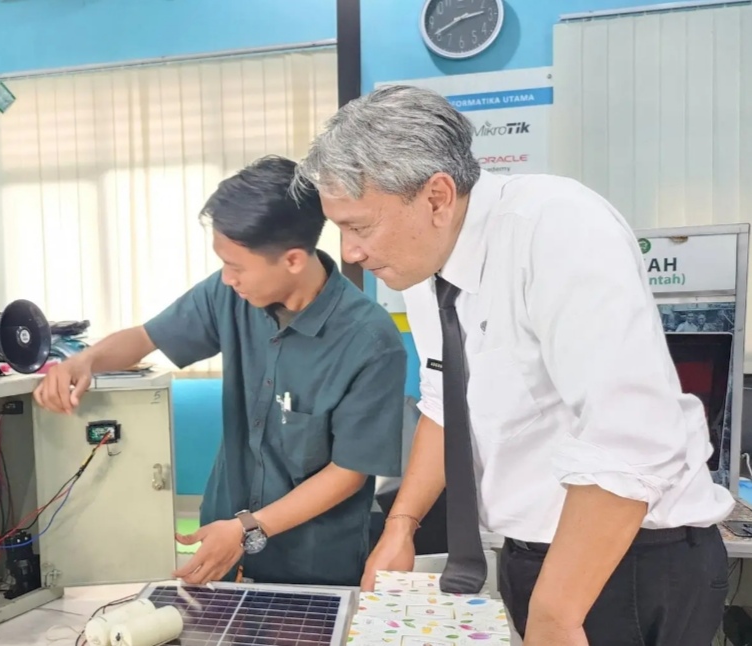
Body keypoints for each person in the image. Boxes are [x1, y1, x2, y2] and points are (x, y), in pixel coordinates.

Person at [292, 85, 733, 646]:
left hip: (624, 563)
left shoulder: (557, 227)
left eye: (359, 227)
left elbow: (631, 438)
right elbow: (445, 402)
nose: (349, 252)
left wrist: (555, 615)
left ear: (436, 197)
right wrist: (401, 525)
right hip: (530, 558)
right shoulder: (424, 263)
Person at [34, 155, 407, 588]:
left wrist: (248, 528)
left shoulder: (369, 341)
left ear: (292, 260)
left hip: (312, 562)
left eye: (237, 266)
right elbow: (145, 337)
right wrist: (84, 361)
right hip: (222, 542)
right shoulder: (229, 295)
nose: (228, 278)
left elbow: (349, 472)